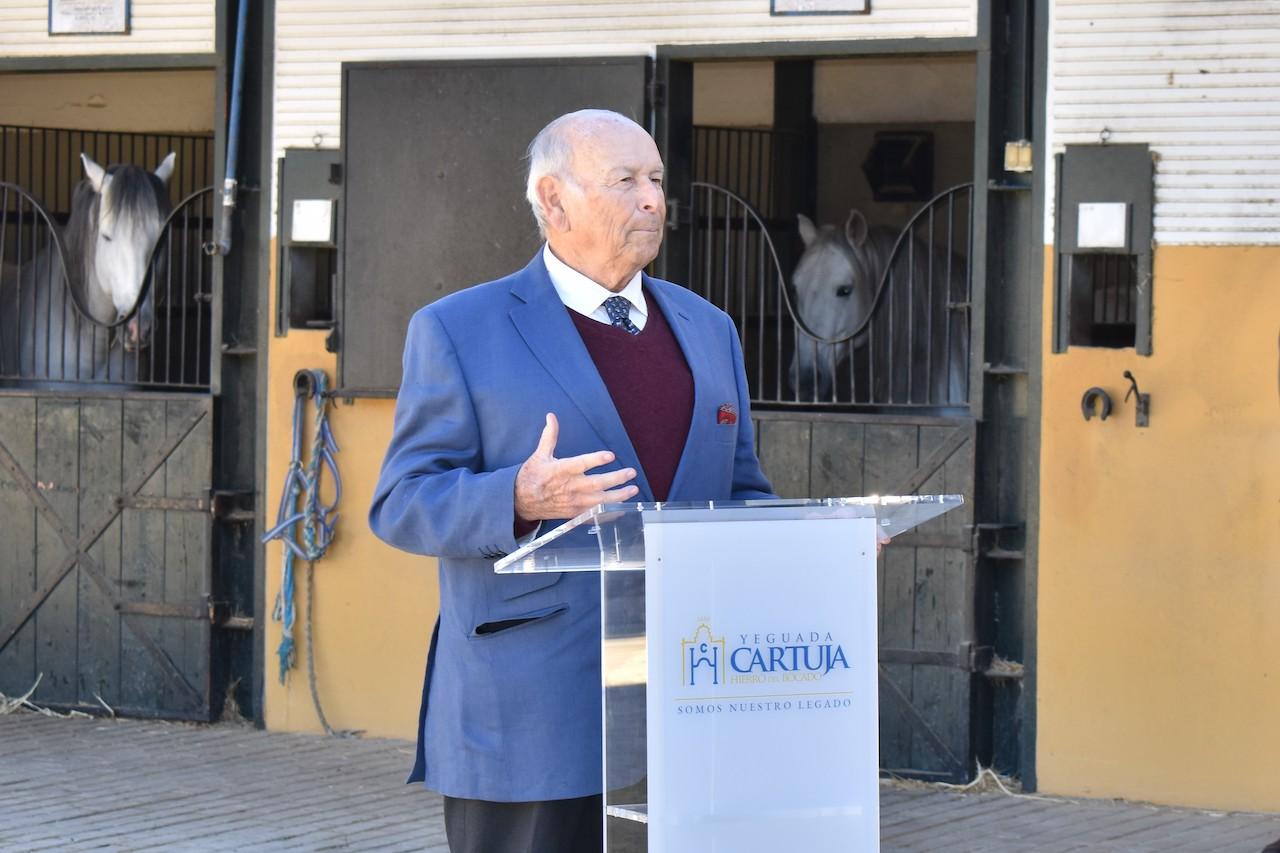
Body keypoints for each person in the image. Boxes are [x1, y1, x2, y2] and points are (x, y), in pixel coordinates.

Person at [368, 109, 774, 853]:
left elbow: (741, 490)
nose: (654, 199)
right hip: (529, 717)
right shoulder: (459, 329)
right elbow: (400, 501)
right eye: (626, 181)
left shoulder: (710, 329)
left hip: (686, 705)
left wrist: (819, 546)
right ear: (553, 201)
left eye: (655, 179)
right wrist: (517, 498)